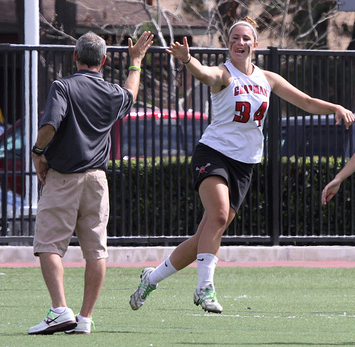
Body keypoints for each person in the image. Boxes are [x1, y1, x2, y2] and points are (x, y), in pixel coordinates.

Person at [129, 17, 355, 314]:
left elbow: (308, 102)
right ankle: (204, 288)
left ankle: (152, 278)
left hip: (244, 165)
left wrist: (335, 107)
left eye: (246, 38)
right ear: (228, 44)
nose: (240, 42)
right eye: (234, 37)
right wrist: (188, 61)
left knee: (204, 238)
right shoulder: (224, 74)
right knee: (219, 215)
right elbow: (205, 74)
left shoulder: (267, 78)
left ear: (255, 44)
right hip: (213, 153)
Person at [28, 30, 154, 335]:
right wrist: (135, 62)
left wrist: (37, 154)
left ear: (75, 57)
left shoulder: (62, 87)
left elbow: (49, 126)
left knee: (48, 245)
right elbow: (131, 94)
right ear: (104, 60)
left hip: (64, 178)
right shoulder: (111, 92)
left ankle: (59, 309)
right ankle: (84, 318)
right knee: (96, 250)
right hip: (98, 180)